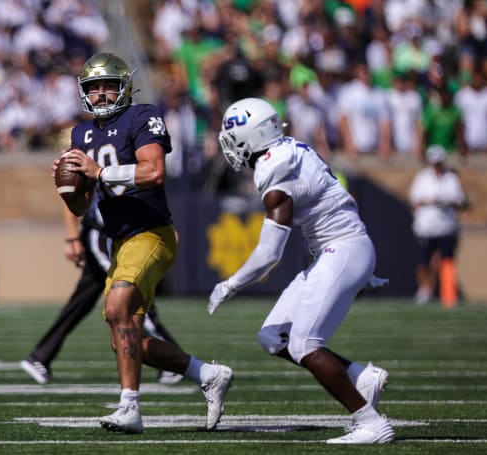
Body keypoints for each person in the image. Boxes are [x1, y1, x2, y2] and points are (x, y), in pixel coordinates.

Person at [54, 52, 233, 434]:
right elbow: (84, 204)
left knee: (117, 306)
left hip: (152, 233)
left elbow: (154, 172)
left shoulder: (142, 116)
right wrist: (69, 189)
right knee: (126, 339)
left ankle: (130, 408)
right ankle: (207, 373)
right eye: (93, 88)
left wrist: (99, 171)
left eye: (108, 86)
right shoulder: (81, 134)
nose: (101, 94)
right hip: (119, 241)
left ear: (124, 87)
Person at [207, 97, 395, 444]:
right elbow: (342, 198)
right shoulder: (291, 148)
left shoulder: (273, 169)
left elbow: (269, 254)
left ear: (252, 135)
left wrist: (231, 284)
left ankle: (370, 422)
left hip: (342, 248)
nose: (230, 146)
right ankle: (360, 376)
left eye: (234, 136)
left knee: (305, 343)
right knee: (272, 337)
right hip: (340, 248)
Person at [20, 199, 184, 386]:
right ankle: (172, 361)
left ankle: (41, 356)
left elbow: (140, 194)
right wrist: (73, 237)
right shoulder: (97, 170)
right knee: (132, 292)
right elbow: (71, 192)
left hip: (124, 235)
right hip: (102, 237)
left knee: (83, 300)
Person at [408, 145, 467, 306]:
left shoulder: (451, 178)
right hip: (425, 226)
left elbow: (461, 202)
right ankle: (424, 290)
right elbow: (414, 201)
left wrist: (447, 202)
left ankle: (447, 293)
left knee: (446, 260)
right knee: (423, 260)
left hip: (446, 226)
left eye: (439, 162)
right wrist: (430, 201)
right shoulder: (422, 178)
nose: (437, 166)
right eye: (434, 162)